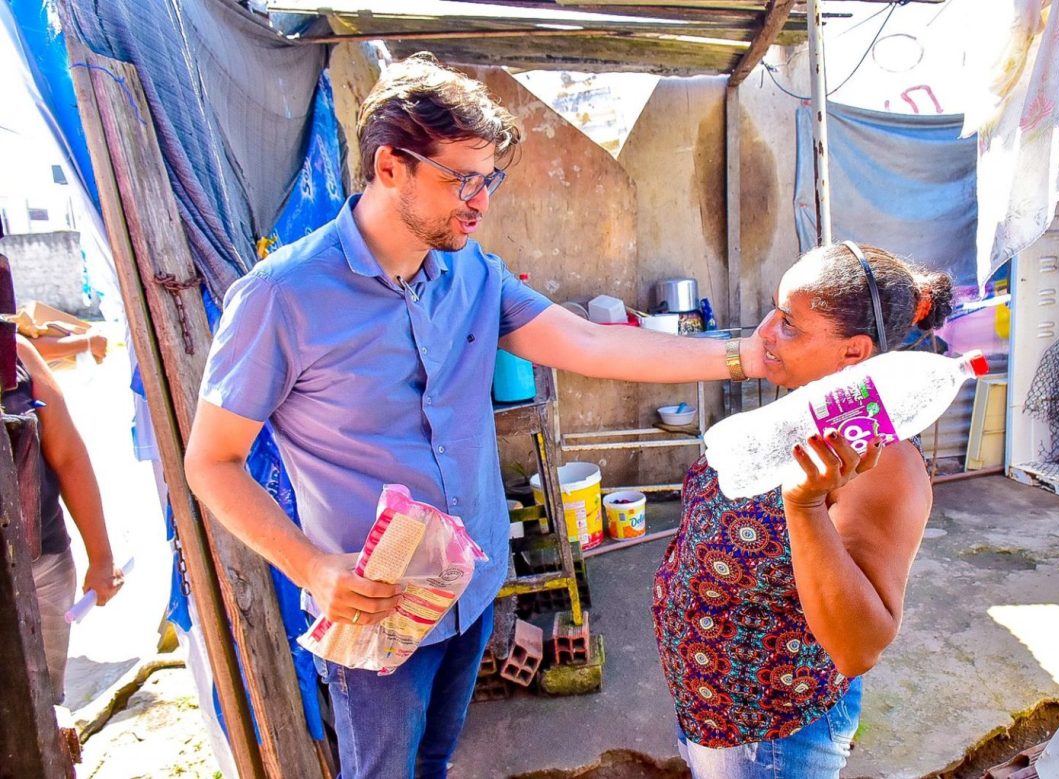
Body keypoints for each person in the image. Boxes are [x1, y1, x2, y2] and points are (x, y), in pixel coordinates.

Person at [184, 52, 766, 779]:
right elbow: (209, 462)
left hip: (470, 584)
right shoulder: (281, 296)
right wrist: (311, 566)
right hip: (378, 608)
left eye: (489, 178)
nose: (481, 200)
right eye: (462, 178)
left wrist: (751, 355)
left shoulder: (471, 272)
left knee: (436, 759)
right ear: (390, 165)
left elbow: (589, 341)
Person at [651, 241, 953, 779]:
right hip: (714, 715)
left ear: (854, 353)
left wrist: (807, 505)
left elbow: (859, 646)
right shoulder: (798, 417)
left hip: (774, 741)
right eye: (773, 310)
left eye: (789, 323)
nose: (765, 330)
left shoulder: (880, 461)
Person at [1, 334, 123, 703]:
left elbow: (68, 455)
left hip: (42, 571)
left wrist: (101, 558)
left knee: (42, 707)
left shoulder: (17, 353)